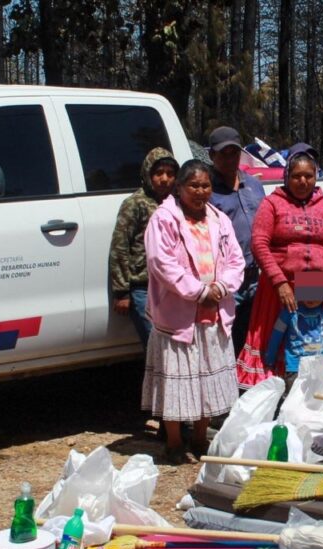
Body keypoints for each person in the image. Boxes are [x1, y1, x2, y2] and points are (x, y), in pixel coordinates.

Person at [142, 160, 245, 465]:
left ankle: (200, 437)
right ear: (179, 187)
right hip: (178, 314)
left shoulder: (219, 219)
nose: (201, 192)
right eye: (193, 186)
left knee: (208, 379)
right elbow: (162, 264)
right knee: (176, 380)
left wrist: (221, 289)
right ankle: (174, 442)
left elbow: (236, 261)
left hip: (214, 311)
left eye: (206, 185)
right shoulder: (164, 219)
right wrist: (199, 292)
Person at [237, 153, 323, 390]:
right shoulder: (272, 203)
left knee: (318, 338)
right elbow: (259, 243)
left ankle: (318, 387)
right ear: (286, 177)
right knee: (280, 337)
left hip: (319, 283)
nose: (303, 181)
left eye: (308, 176)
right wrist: (279, 282)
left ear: (316, 177)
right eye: (296, 176)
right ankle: (275, 389)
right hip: (280, 285)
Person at [109, 147, 178, 345]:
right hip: (143, 287)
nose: (164, 179)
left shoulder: (176, 203)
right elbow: (120, 247)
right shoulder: (135, 203)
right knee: (156, 344)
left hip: (171, 286)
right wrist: (121, 291)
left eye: (170, 174)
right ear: (147, 174)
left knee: (172, 344)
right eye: (158, 173)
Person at [208, 126, 266, 354]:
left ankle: (247, 382)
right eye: (224, 153)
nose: (230, 158)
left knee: (252, 333)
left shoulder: (254, 185)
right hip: (227, 276)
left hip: (256, 274)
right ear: (212, 155)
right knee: (224, 336)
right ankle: (226, 384)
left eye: (234, 152)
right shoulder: (207, 189)